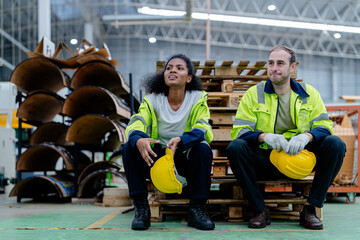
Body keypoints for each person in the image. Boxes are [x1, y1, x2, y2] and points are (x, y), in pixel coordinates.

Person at [226, 46, 346, 230]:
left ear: (292, 67)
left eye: (280, 63)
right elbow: (240, 131)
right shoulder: (253, 94)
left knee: (336, 144)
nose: (274, 67)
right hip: (266, 160)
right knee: (235, 148)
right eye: (271, 63)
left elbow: (324, 127)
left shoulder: (309, 94)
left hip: (301, 159)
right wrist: (265, 137)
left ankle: (310, 208)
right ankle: (259, 209)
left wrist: (306, 137)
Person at [123, 54, 215, 230]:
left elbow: (204, 129)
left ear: (188, 78)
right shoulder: (152, 99)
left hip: (183, 154)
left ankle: (197, 209)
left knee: (203, 149)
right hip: (157, 156)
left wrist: (183, 140)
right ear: (164, 75)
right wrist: (138, 139)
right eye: (169, 67)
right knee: (129, 147)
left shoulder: (197, 98)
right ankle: (142, 209)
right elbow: (137, 121)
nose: (172, 70)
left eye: (179, 68)